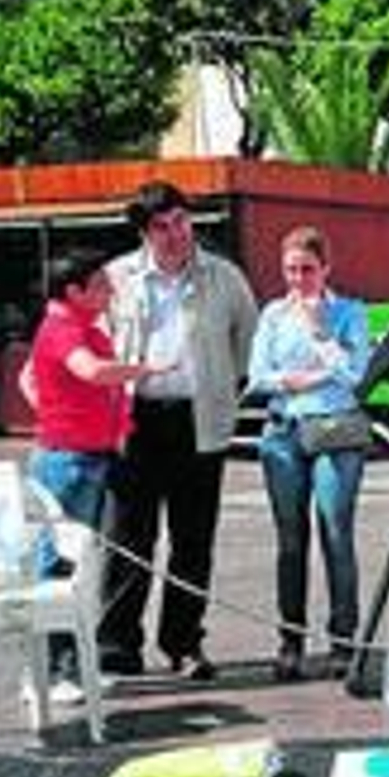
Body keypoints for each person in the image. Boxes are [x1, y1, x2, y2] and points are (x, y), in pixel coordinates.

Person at [97, 181, 259, 679]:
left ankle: (184, 642)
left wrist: (220, 391)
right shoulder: (116, 278)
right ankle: (118, 643)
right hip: (135, 420)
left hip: (198, 419)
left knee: (192, 540)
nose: (175, 235)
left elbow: (247, 341)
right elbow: (95, 344)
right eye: (162, 227)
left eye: (182, 222)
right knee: (129, 536)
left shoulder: (223, 276)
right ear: (145, 232)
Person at [19, 249, 166, 702]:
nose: (110, 291)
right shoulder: (63, 328)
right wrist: (146, 369)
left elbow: (30, 380)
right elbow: (92, 372)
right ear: (74, 291)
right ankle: (45, 673)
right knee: (56, 565)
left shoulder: (82, 327)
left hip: (91, 455)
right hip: (68, 462)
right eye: (100, 284)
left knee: (79, 563)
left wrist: (72, 414)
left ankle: (73, 666)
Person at [247, 226, 374, 683]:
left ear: (325, 269)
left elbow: (355, 372)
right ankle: (291, 640)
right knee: (290, 539)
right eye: (290, 270)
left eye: (307, 269)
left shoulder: (348, 312)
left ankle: (344, 638)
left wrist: (321, 332)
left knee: (336, 530)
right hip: (284, 429)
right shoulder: (273, 314)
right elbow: (258, 375)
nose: (298, 279)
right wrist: (301, 378)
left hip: (334, 429)